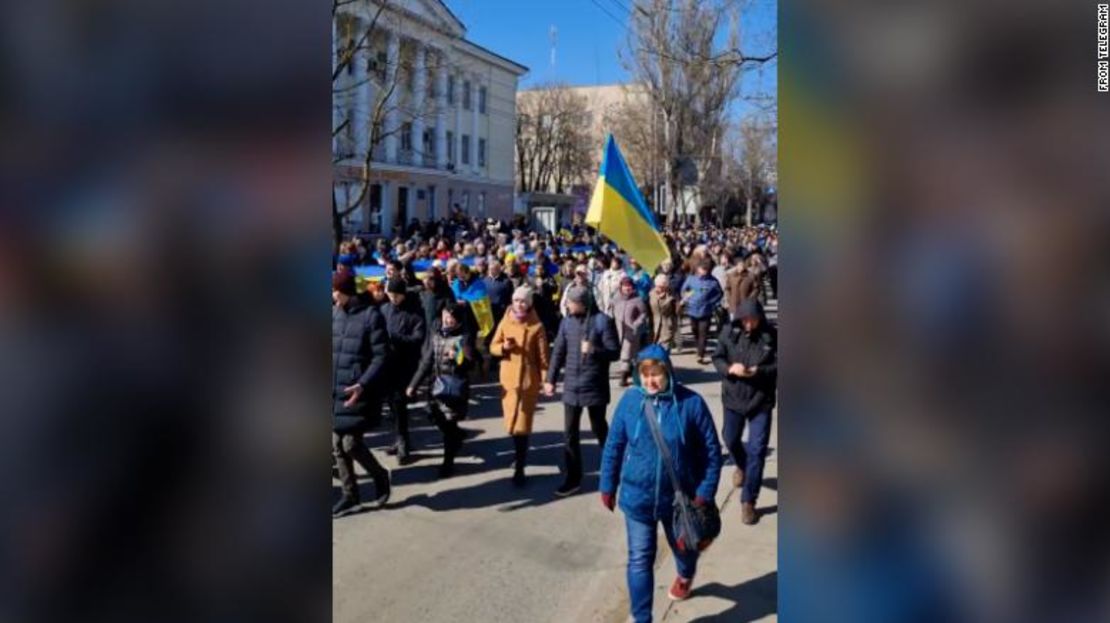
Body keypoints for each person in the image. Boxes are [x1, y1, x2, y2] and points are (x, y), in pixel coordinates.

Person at [599, 345, 723, 622]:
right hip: (637, 498)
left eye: (656, 373)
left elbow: (712, 453)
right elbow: (614, 445)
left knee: (685, 550)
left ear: (668, 372)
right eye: (645, 374)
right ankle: (642, 617)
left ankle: (685, 573)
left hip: (679, 501)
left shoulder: (691, 404)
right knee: (640, 558)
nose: (650, 380)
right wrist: (607, 484)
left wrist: (703, 494)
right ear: (637, 374)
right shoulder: (630, 402)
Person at [543, 285, 620, 496]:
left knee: (599, 429)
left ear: (582, 303)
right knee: (569, 434)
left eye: (571, 302)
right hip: (571, 386)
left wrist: (594, 349)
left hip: (594, 385)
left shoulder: (603, 321)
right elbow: (558, 351)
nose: (567, 305)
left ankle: (615, 467)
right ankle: (573, 478)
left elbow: (615, 353)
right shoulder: (566, 322)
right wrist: (550, 379)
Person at [711, 298, 777, 525]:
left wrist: (760, 371)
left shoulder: (772, 335)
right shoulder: (729, 332)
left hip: (761, 400)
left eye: (754, 320)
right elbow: (717, 357)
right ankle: (741, 464)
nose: (749, 324)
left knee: (757, 450)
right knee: (730, 439)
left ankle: (749, 500)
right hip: (733, 397)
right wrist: (730, 368)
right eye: (745, 320)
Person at [331, 271, 392, 517]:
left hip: (358, 390)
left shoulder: (371, 316)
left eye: (335, 290)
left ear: (346, 291)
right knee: (337, 445)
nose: (332, 295)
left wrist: (363, 383)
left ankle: (380, 477)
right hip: (335, 388)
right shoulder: (335, 313)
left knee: (351, 443)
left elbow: (381, 356)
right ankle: (350, 495)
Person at [490, 286, 551, 486]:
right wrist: (503, 348)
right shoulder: (505, 320)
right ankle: (519, 456)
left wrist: (546, 381)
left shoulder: (537, 327)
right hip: (508, 379)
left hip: (527, 381)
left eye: (523, 301)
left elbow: (543, 359)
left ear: (530, 303)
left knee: (522, 427)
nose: (519, 304)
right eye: (516, 300)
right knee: (511, 425)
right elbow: (492, 346)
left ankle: (520, 467)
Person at [407, 303, 476, 478]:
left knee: (449, 423)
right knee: (433, 414)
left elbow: (470, 362)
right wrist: (413, 385)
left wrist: (458, 358)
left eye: (451, 317)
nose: (447, 319)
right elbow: (426, 362)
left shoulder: (464, 337)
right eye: (446, 315)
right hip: (435, 387)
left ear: (458, 320)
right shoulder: (436, 335)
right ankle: (456, 436)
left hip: (453, 389)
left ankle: (448, 463)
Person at [381, 278, 426, 463]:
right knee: (392, 405)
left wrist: (397, 338)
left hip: (405, 367)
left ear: (403, 294)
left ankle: (403, 442)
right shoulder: (384, 310)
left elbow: (418, 338)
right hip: (386, 365)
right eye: (390, 295)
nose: (393, 298)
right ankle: (398, 438)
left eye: (396, 295)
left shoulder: (414, 313)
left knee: (400, 405)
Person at [680, 259, 724, 364]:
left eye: (706, 270)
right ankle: (698, 345)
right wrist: (687, 299)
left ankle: (700, 354)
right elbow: (684, 290)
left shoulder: (713, 281)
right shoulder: (691, 279)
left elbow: (720, 294)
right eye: (702, 269)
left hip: (706, 312)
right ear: (698, 269)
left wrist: (713, 303)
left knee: (703, 334)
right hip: (692, 310)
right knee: (695, 330)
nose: (703, 272)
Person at [612, 276, 648, 387]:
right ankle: (633, 372)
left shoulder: (638, 299)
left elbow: (643, 314)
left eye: (629, 286)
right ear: (621, 287)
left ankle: (623, 378)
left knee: (626, 354)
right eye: (625, 286)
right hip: (618, 330)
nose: (627, 288)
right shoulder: (616, 298)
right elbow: (610, 310)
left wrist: (636, 324)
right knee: (628, 355)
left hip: (632, 331)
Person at [649, 274, 679, 352]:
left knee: (664, 349)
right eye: (658, 286)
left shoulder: (672, 295)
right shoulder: (651, 294)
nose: (659, 288)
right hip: (654, 324)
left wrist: (681, 305)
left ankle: (664, 362)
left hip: (667, 325)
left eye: (662, 287)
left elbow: (677, 312)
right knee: (654, 347)